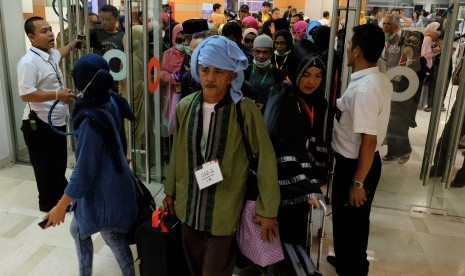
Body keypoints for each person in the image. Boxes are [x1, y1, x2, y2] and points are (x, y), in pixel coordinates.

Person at [163, 35, 280, 276]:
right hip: (189, 206)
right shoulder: (186, 105)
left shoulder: (244, 110)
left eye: (219, 71)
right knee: (194, 268)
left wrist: (268, 208)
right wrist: (170, 192)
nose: (210, 77)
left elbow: (266, 159)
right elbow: (177, 153)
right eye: (205, 70)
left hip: (223, 211)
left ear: (232, 76)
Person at [42, 54, 137, 276]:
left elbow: (83, 173)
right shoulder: (110, 98)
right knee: (78, 230)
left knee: (111, 237)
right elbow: (119, 139)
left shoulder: (89, 119)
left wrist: (60, 207)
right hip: (114, 183)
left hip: (105, 195)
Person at [329, 23, 392, 276]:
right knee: (349, 222)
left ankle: (354, 269)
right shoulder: (376, 78)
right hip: (358, 163)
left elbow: (369, 141)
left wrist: (357, 183)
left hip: (356, 165)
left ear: (357, 51)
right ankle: (347, 261)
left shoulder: (366, 89)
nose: (346, 52)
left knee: (353, 223)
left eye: (348, 47)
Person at [263, 43, 328, 267]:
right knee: (282, 239)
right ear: (295, 72)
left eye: (318, 75)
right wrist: (305, 186)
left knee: (295, 237)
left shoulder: (316, 100)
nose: (312, 81)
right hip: (282, 183)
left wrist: (315, 179)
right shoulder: (282, 96)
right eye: (307, 74)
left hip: (301, 182)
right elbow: (279, 143)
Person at [18, 16, 79, 212]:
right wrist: (56, 94)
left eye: (50, 29)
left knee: (58, 163)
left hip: (56, 120)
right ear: (31, 37)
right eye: (43, 31)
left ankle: (61, 199)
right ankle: (48, 204)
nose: (50, 34)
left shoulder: (49, 54)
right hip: (39, 124)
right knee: (45, 167)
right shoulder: (28, 63)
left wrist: (72, 44)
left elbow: (60, 53)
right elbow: (25, 94)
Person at [244, 35, 285, 110]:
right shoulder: (245, 71)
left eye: (265, 52)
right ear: (253, 52)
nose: (261, 56)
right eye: (258, 52)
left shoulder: (278, 74)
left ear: (271, 54)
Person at [90, 4, 124, 92]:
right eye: (102, 19)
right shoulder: (95, 34)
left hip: (116, 82)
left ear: (116, 19)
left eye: (108, 19)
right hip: (97, 80)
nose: (104, 22)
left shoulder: (123, 37)